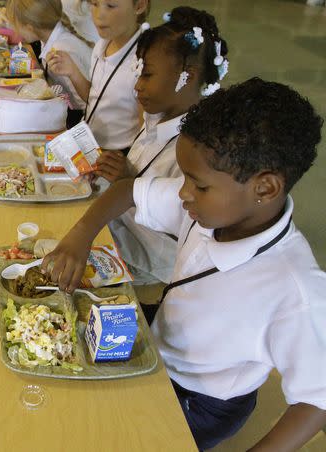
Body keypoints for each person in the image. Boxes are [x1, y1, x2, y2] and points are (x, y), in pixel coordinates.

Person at [41, 78, 326, 451]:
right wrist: (80, 235)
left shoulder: (297, 290)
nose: (183, 193)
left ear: (265, 188)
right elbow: (129, 190)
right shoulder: (212, 210)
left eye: (199, 185)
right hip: (162, 342)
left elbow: (316, 399)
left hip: (200, 402)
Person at [101, 6, 229, 284]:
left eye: (146, 74)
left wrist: (129, 181)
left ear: (188, 76)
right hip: (118, 230)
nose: (137, 85)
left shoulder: (199, 150)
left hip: (147, 264)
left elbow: (184, 228)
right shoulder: (154, 118)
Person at [48, 0, 149, 151]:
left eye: (111, 6)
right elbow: (95, 98)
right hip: (91, 145)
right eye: (94, 4)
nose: (99, 15)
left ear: (139, 5)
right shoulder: (102, 45)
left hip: (117, 154)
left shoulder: (145, 59)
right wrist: (73, 72)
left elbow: (146, 130)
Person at [6, 0, 94, 126]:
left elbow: (84, 103)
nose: (16, 32)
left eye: (17, 27)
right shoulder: (49, 37)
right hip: (68, 109)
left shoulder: (61, 48)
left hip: (80, 119)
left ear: (29, 27)